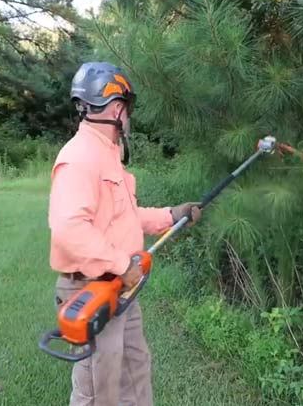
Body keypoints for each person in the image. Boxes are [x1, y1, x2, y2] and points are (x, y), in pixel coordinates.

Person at [48, 61, 201, 406]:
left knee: (134, 372)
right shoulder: (79, 156)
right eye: (127, 110)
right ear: (117, 109)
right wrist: (121, 263)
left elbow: (124, 217)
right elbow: (68, 228)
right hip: (93, 289)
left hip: (121, 289)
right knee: (98, 387)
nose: (128, 118)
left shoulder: (107, 154)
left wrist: (171, 215)